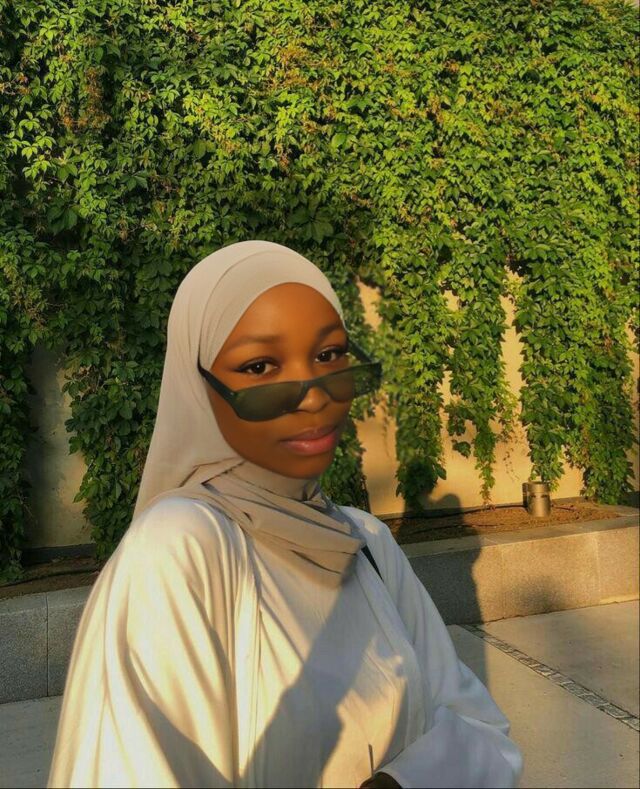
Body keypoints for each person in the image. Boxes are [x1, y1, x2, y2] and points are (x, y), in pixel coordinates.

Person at [47, 240, 523, 788]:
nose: (314, 397)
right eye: (259, 366)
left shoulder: (365, 541)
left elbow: (479, 730)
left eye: (329, 356)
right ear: (197, 386)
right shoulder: (182, 547)